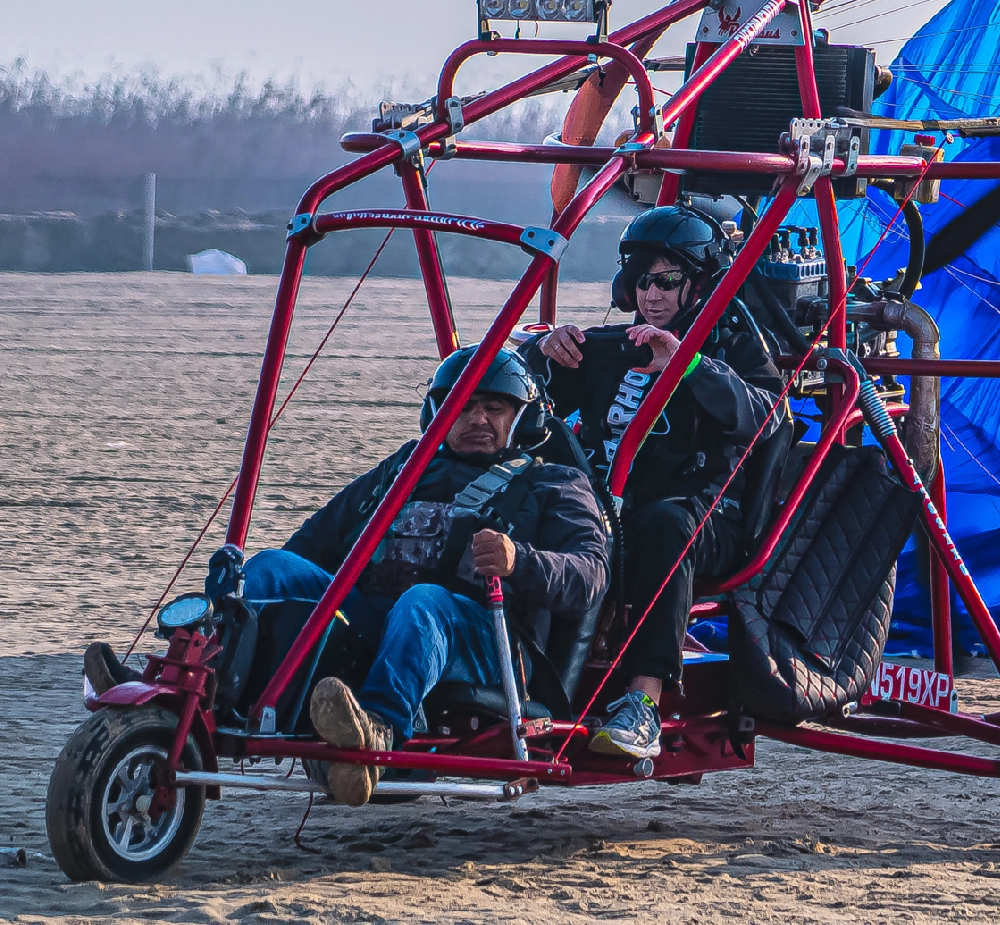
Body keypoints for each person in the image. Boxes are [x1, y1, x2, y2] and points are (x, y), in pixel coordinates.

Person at [240, 345, 611, 807]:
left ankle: (379, 733)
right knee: (270, 569)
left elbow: (591, 573)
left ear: (522, 419)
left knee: (423, 602)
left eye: (493, 408)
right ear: (437, 412)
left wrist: (520, 560)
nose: (477, 418)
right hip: (378, 619)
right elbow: (312, 543)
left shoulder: (551, 482)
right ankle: (212, 691)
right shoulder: (404, 468)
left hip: (487, 638)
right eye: (462, 406)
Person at [539, 204, 783, 762]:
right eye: (643, 280)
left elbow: (770, 416)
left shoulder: (733, 346)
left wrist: (688, 365)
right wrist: (546, 354)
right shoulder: (619, 346)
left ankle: (643, 701)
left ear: (698, 285)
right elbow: (536, 401)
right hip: (609, 509)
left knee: (660, 524)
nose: (653, 294)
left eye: (669, 280)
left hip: (704, 514)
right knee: (532, 500)